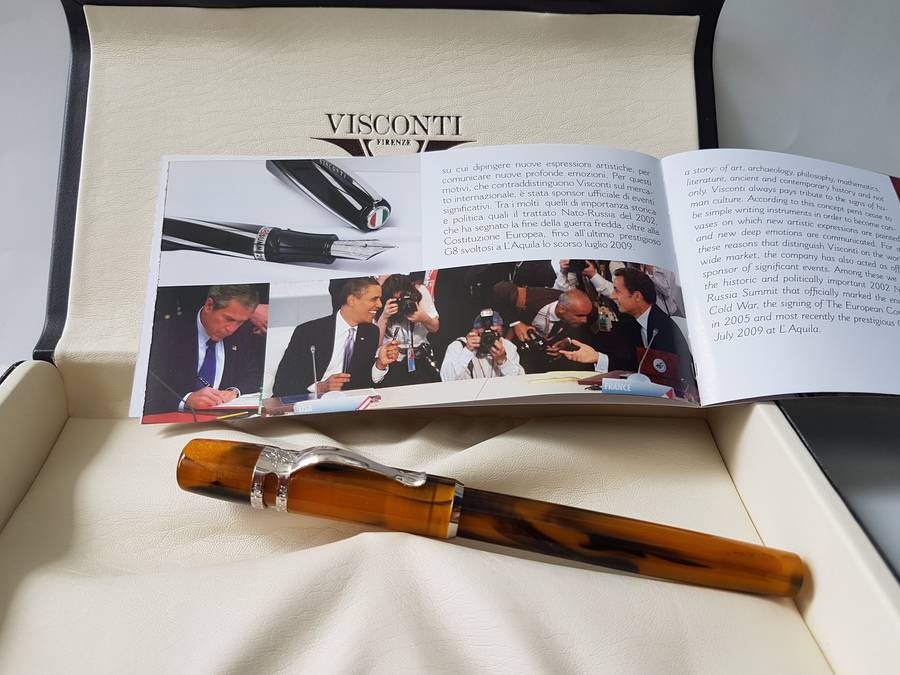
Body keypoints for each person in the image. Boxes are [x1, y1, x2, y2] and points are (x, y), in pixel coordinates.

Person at [144, 284, 265, 415]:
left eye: (240, 322)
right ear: (209, 305)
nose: (231, 329)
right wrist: (185, 400)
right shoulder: (163, 334)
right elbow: (146, 390)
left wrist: (234, 392)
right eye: (229, 319)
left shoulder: (242, 335)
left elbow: (254, 375)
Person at [272, 277, 399, 397]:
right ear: (352, 300)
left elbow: (363, 382)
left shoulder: (371, 332)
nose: (380, 305)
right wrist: (320, 387)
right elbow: (282, 386)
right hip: (310, 402)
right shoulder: (308, 332)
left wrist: (380, 364)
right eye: (374, 299)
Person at [561, 267, 693, 379]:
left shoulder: (665, 328)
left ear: (636, 296)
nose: (613, 296)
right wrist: (596, 357)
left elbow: (661, 373)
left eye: (617, 290)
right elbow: (633, 364)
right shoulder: (631, 323)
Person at [440, 310, 523, 381]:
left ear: (501, 331)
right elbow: (447, 379)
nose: (488, 336)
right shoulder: (458, 346)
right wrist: (467, 351)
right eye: (483, 332)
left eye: (494, 332)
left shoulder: (507, 346)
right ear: (473, 330)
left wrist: (503, 361)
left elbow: (520, 381)